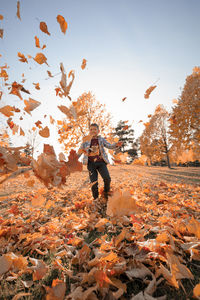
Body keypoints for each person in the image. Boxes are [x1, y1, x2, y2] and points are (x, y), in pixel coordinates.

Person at [77, 123, 123, 201]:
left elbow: (109, 146)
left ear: (98, 131)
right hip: (91, 164)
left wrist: (116, 145)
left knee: (107, 178)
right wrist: (73, 159)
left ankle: (106, 194)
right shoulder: (86, 140)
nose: (93, 131)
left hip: (101, 163)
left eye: (95, 129)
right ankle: (96, 199)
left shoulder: (101, 139)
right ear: (89, 131)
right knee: (94, 182)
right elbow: (80, 151)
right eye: (91, 129)